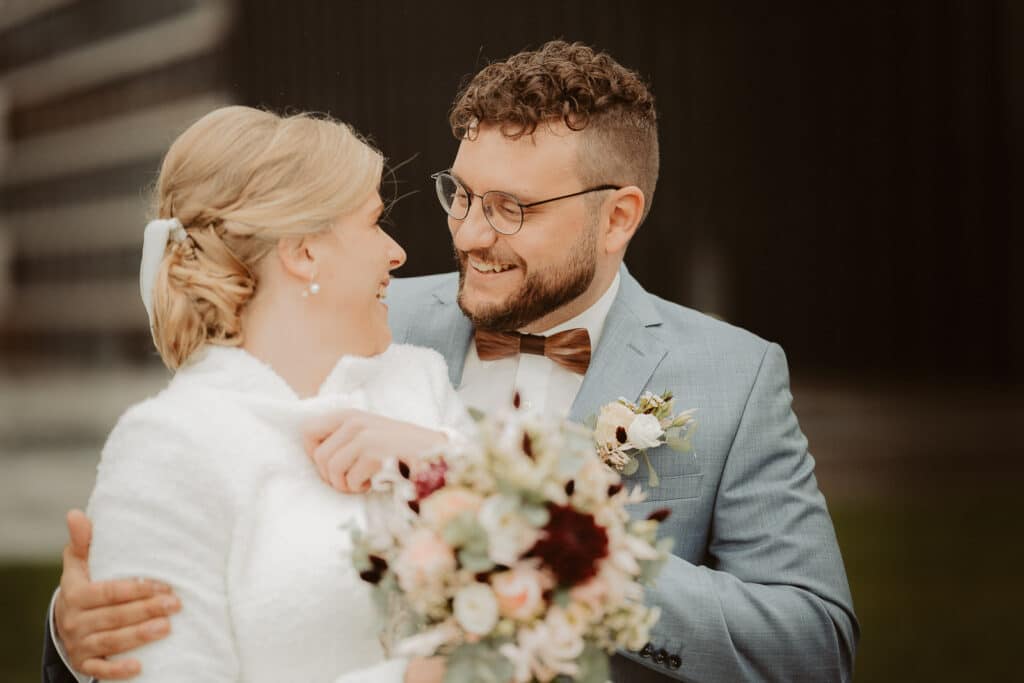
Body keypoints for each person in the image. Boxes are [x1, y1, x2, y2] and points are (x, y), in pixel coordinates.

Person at [44, 41, 859, 682]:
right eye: (459, 193)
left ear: (617, 219)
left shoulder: (734, 375)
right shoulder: (360, 317)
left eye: (510, 209)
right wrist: (81, 637)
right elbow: (202, 483)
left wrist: (546, 533)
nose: (466, 234)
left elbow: (812, 647)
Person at [42, 105, 462, 683]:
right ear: (303, 250)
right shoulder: (168, 445)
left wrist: (449, 459)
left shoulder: (420, 382)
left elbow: (541, 558)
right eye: (373, 222)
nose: (398, 253)